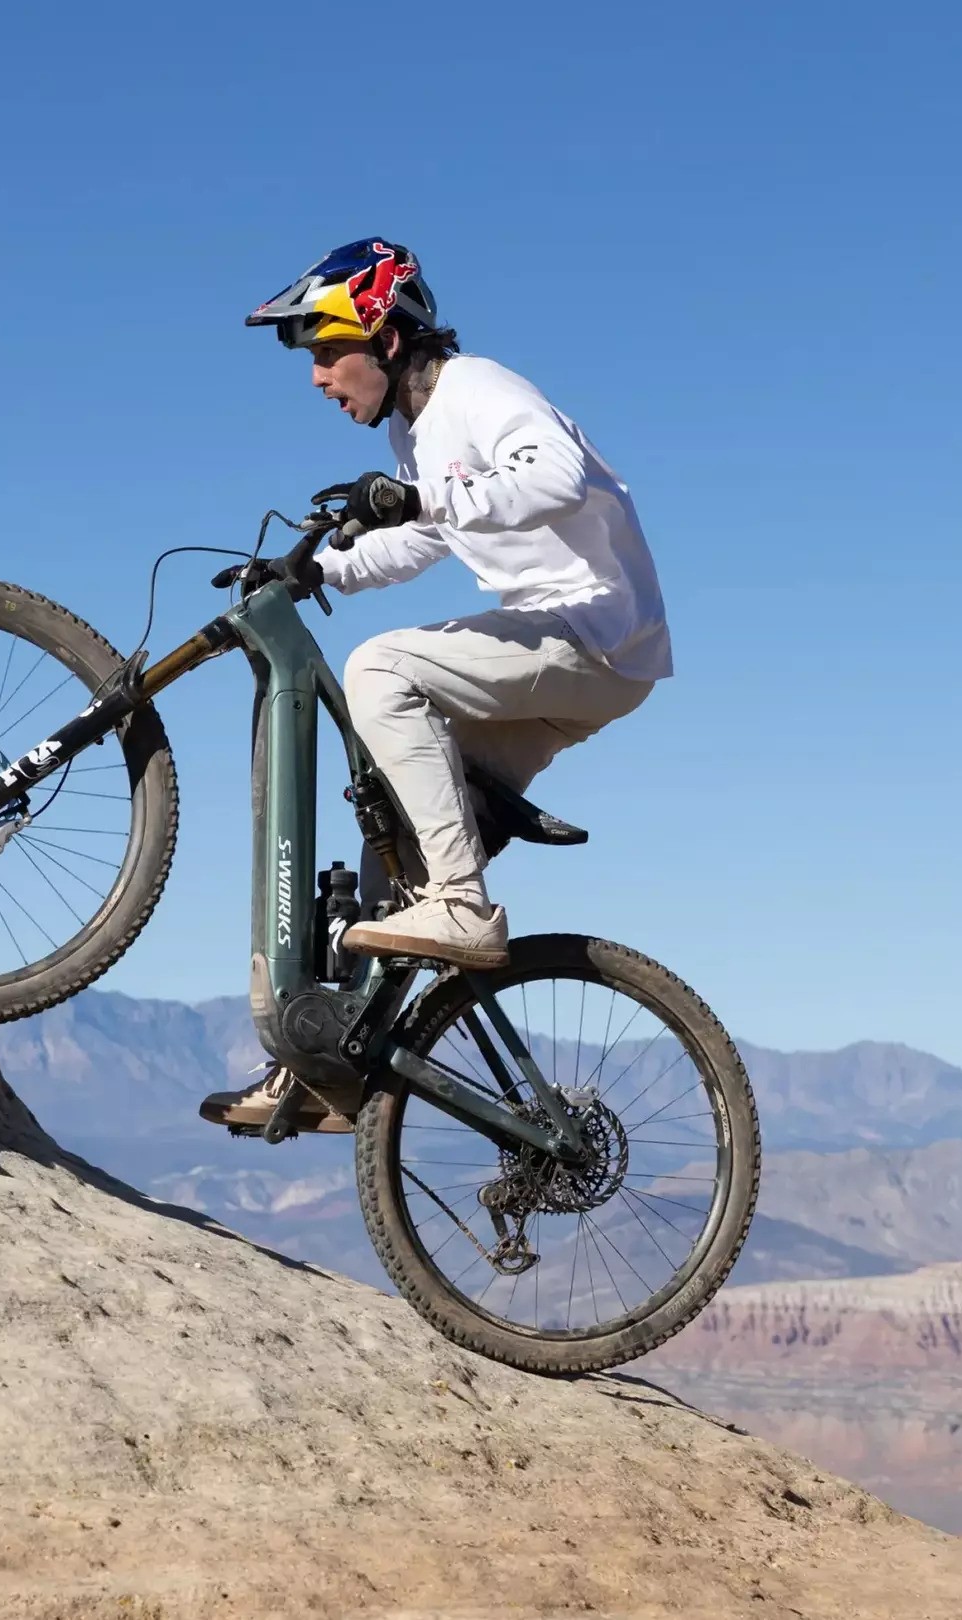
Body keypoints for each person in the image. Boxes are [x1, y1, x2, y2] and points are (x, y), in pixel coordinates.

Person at [203, 237, 671, 1136]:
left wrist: (418, 499)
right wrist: (319, 570)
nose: (317, 378)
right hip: (580, 659)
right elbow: (423, 538)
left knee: (380, 669)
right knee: (400, 829)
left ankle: (462, 904)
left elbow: (556, 474)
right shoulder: (410, 431)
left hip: (595, 632)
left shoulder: (477, 388)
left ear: (384, 339)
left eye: (326, 352)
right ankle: (330, 1072)